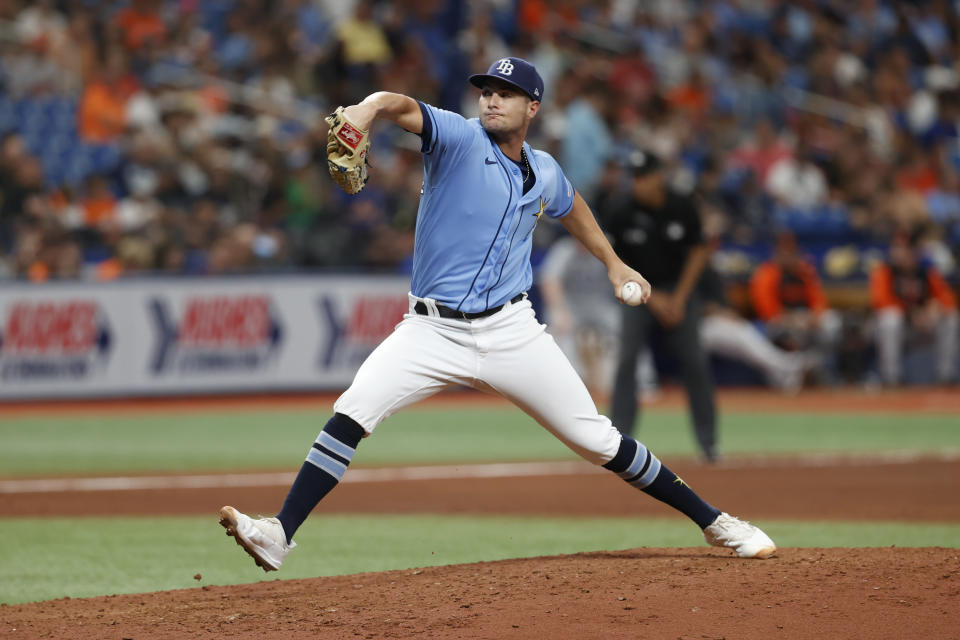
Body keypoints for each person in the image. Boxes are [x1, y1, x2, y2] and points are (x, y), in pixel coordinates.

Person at [218, 57, 776, 571]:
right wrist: (366, 110)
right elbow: (399, 104)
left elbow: (570, 205)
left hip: (512, 330)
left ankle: (717, 522)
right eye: (487, 90)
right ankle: (279, 534)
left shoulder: (546, 169)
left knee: (598, 440)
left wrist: (614, 263)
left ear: (533, 107)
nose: (491, 100)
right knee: (353, 410)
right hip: (431, 330)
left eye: (507, 94)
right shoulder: (458, 139)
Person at [602, 150, 718, 462]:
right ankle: (617, 446)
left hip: (678, 292)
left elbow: (698, 252)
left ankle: (709, 445)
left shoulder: (682, 205)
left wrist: (679, 299)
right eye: (634, 177)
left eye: (644, 176)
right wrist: (651, 299)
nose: (638, 183)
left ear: (658, 176)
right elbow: (615, 260)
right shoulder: (621, 210)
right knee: (626, 361)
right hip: (638, 293)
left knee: (695, 363)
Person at [698, 265, 809, 392]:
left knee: (742, 332)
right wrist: (718, 312)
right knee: (740, 333)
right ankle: (788, 366)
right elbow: (694, 307)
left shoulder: (709, 271)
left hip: (711, 325)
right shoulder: (685, 273)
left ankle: (783, 375)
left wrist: (726, 313)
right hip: (696, 327)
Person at [748, 231, 842, 382]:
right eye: (783, 250)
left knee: (832, 323)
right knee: (793, 335)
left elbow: (819, 301)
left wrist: (814, 316)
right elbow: (768, 311)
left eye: (791, 250)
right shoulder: (767, 273)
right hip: (779, 323)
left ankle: (822, 369)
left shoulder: (804, 271)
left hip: (806, 319)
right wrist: (792, 319)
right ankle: (797, 372)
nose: (788, 254)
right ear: (776, 252)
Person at [870, 230, 958, 385]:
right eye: (897, 247)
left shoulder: (925, 271)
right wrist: (912, 314)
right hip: (895, 327)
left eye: (905, 248)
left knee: (951, 318)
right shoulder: (885, 271)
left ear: (915, 251)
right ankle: (892, 378)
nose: (900, 253)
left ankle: (945, 375)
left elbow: (948, 299)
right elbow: (881, 302)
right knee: (890, 319)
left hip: (922, 326)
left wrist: (935, 308)